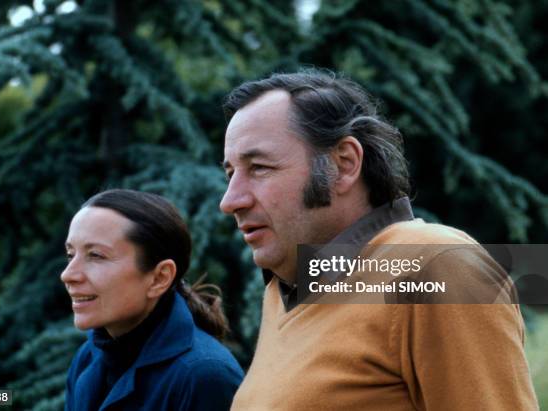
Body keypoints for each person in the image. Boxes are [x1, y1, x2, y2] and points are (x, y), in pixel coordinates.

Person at [220, 70, 539, 410]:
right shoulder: (285, 287)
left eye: (259, 168)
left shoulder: (435, 264)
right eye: (230, 173)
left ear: (343, 164)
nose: (230, 200)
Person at [61, 189, 243, 411]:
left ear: (159, 277)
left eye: (96, 256)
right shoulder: (88, 357)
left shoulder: (204, 377)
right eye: (71, 255)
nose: (68, 274)